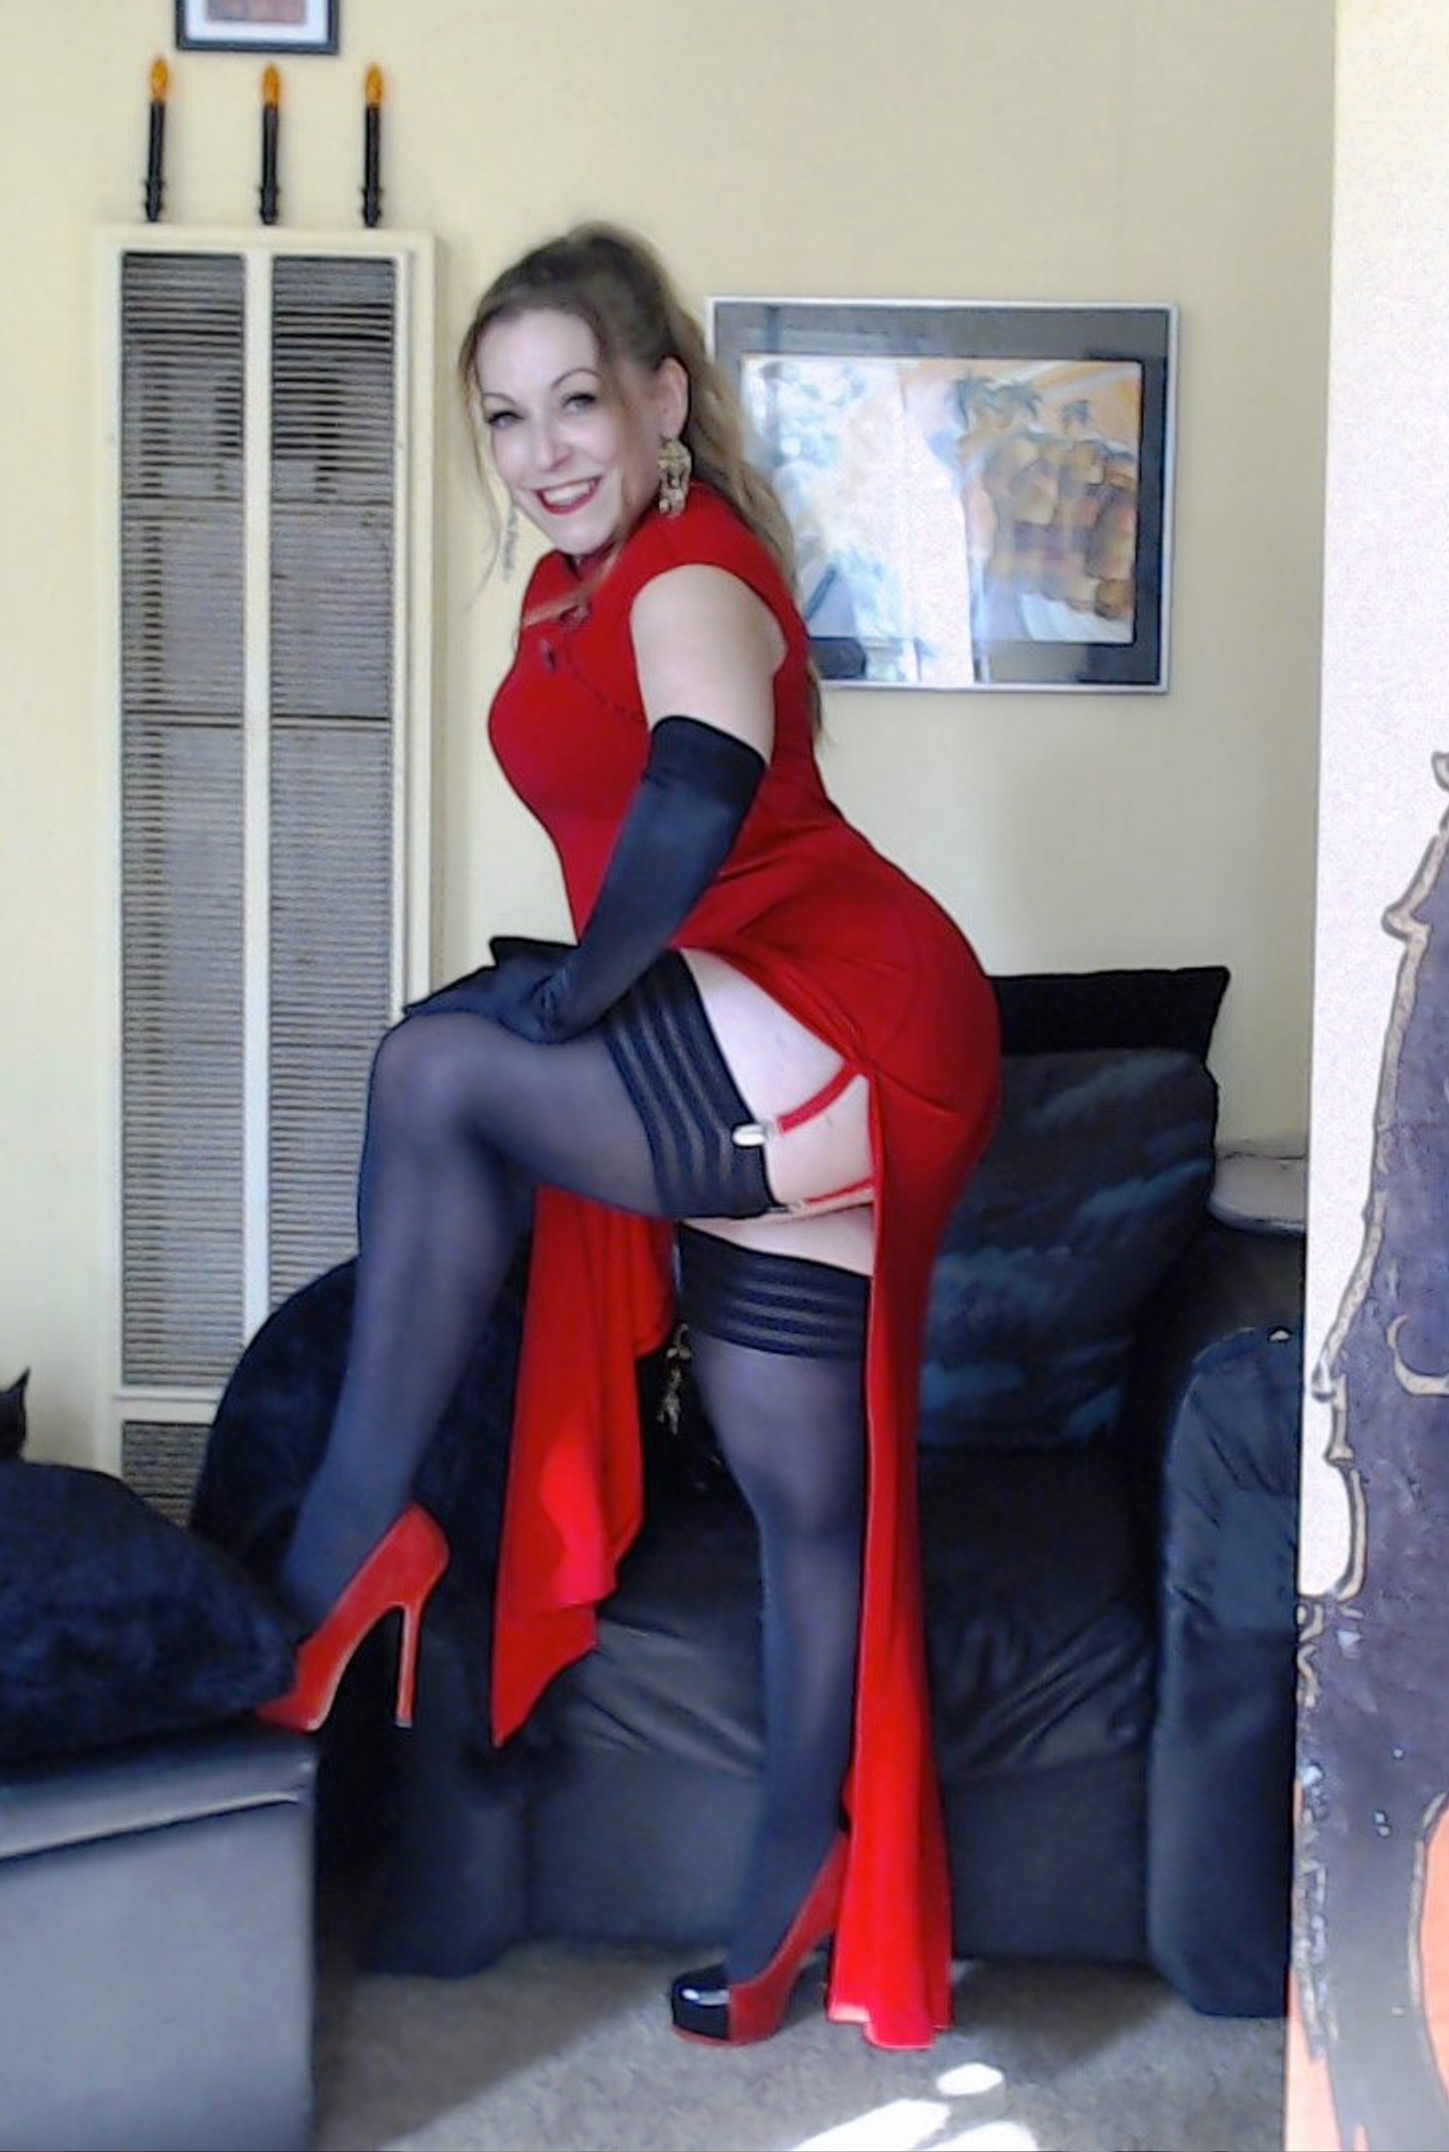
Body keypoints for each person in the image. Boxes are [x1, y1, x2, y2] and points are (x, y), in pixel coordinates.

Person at [253, 221, 1001, 2055]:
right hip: (765, 1020)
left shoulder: (691, 570)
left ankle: (346, 1549)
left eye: (576, 401)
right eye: (506, 419)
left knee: (435, 1073)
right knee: (801, 1497)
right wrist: (584, 989)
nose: (543, 451)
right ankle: (797, 1890)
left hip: (836, 1001)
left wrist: (574, 994)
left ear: (664, 398)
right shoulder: (565, 591)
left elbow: (699, 781)